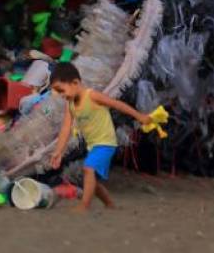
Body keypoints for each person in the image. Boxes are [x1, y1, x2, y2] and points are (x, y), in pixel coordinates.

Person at [49, 62, 150, 212]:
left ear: (75, 83)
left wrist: (139, 116)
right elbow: (65, 129)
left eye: (61, 90)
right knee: (91, 179)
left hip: (106, 143)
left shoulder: (92, 96)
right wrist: (58, 151)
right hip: (94, 145)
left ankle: (84, 206)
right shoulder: (70, 105)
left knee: (88, 169)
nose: (62, 95)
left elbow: (117, 104)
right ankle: (109, 204)